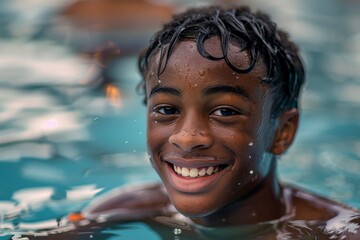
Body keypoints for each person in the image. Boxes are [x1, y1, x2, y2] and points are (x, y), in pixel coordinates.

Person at [26, 5, 360, 239]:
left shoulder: (336, 232)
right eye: (167, 109)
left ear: (282, 132)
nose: (187, 138)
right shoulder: (129, 208)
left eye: (225, 112)